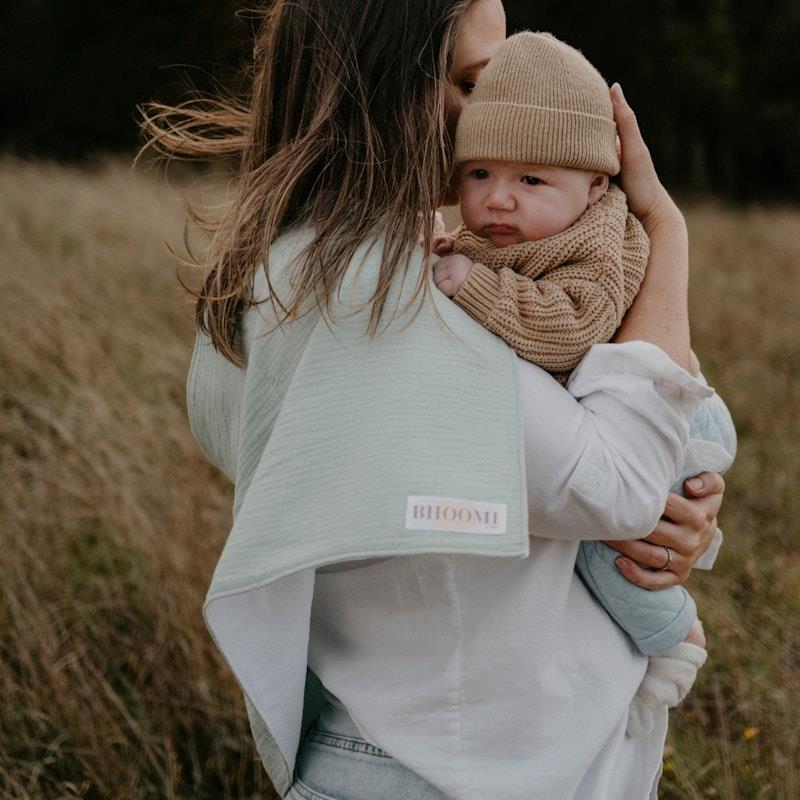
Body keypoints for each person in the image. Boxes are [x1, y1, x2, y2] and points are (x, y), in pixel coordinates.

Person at [139, 1, 728, 797]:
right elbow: (620, 486)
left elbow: (549, 484)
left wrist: (671, 515)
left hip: (413, 751)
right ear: (390, 85)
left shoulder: (272, 282)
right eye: (476, 81)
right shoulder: (389, 293)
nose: (498, 108)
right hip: (464, 766)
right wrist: (664, 224)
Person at [429, 30, 736, 737]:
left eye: (531, 180)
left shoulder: (595, 244)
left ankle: (672, 635)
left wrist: (469, 285)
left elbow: (568, 329)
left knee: (608, 546)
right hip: (640, 402)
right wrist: (456, 254)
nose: (498, 201)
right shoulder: (522, 229)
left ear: (598, 185)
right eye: (478, 175)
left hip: (684, 412)